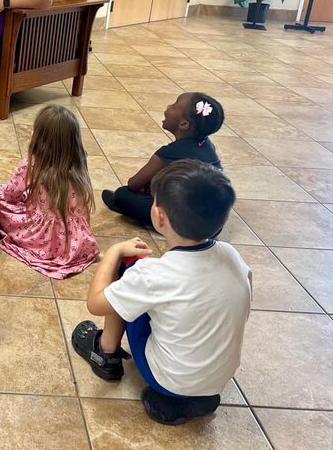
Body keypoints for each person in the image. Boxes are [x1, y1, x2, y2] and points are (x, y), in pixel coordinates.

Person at [74, 160, 251, 425]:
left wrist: (113, 253)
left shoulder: (152, 274)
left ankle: (105, 352)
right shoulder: (233, 256)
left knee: (127, 271)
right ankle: (195, 399)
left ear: (159, 216)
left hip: (168, 380)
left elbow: (96, 304)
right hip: (217, 382)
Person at [0, 105, 97, 279]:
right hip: (77, 239)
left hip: (43, 238)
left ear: (39, 138)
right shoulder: (80, 162)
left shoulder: (33, 163)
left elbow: (10, 195)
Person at [101, 92, 224, 229]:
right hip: (215, 222)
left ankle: (165, 227)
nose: (168, 106)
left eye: (174, 105)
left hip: (187, 223)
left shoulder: (169, 153)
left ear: (183, 124)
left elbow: (133, 184)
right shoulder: (208, 145)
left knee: (123, 194)